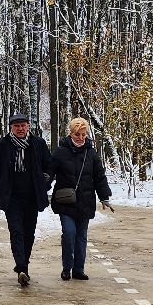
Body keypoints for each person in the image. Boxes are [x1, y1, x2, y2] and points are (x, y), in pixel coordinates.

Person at [0, 114, 52, 287]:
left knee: (29, 233)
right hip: (12, 197)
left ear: (28, 126)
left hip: (32, 196)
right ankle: (21, 267)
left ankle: (24, 268)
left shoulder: (38, 144)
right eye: (17, 126)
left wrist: (45, 181)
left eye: (23, 125)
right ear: (11, 128)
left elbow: (49, 166)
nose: (20, 129)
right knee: (16, 231)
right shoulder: (2, 145)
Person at [48, 117, 114, 280]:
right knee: (69, 233)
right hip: (66, 201)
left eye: (83, 134)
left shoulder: (91, 153)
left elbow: (99, 176)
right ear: (71, 133)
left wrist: (104, 196)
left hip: (85, 202)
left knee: (81, 236)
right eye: (78, 134)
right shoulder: (60, 152)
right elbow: (49, 173)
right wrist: (40, 189)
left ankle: (78, 270)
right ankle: (67, 267)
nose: (81, 138)